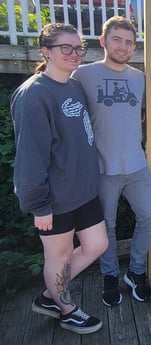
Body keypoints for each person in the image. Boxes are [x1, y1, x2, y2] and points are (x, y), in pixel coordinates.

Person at [10, 23, 109, 334]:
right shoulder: (33, 94)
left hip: (83, 191)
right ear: (45, 51)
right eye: (65, 47)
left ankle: (50, 296)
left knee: (97, 245)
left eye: (78, 47)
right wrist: (39, 205)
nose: (74, 53)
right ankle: (66, 309)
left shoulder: (73, 85)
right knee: (59, 256)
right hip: (54, 198)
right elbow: (30, 155)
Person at [72, 16, 151, 307]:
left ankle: (135, 272)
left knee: (149, 218)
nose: (123, 46)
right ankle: (110, 275)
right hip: (102, 169)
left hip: (136, 165)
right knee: (105, 226)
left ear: (135, 46)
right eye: (117, 39)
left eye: (129, 42)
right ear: (103, 40)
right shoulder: (82, 75)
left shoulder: (140, 77)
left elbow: (147, 115)